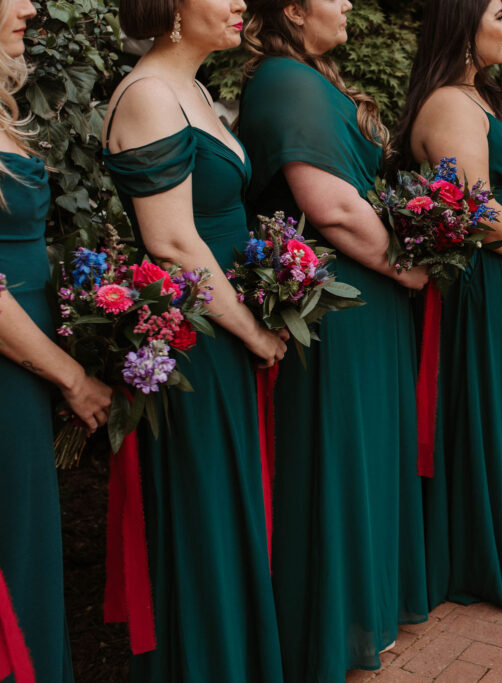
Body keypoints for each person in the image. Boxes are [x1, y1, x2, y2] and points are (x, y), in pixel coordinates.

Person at [238, 0, 430, 676]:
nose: (348, 2)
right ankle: (330, 625)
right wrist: (408, 266)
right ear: (292, 8)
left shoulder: (308, 76)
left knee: (367, 454)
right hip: (340, 309)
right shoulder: (285, 81)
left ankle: (360, 611)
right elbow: (334, 208)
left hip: (363, 303)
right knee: (338, 456)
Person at [101, 0, 288, 679]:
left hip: (224, 330)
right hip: (195, 344)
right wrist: (255, 333)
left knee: (235, 509)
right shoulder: (149, 95)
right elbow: (173, 241)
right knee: (207, 517)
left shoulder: (197, 90)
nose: (241, 2)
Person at [395, 0, 502, 612]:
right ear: (465, 23)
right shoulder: (448, 103)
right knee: (481, 406)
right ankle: (473, 554)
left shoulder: (477, 98)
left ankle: (501, 542)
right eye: (499, 13)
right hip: (481, 279)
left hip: (501, 274)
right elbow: (476, 205)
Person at [0, 1, 111, 680]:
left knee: (29, 538)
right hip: (9, 367)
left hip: (25, 362)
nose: (31, 7)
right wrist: (71, 374)